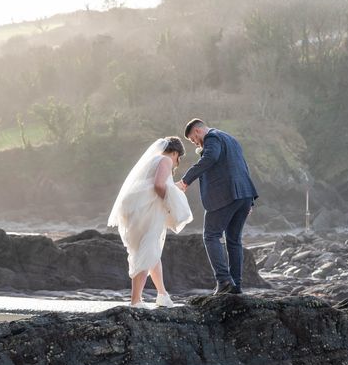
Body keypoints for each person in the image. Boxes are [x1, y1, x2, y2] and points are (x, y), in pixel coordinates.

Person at [108, 137, 193, 308]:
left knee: (151, 250)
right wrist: (170, 202)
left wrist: (173, 188)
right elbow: (158, 186)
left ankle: (162, 295)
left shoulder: (152, 161)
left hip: (137, 209)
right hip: (147, 212)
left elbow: (151, 185)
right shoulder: (165, 160)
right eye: (179, 157)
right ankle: (136, 301)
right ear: (175, 153)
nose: (177, 162)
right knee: (146, 251)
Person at [176, 119, 258, 295]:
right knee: (234, 241)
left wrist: (185, 180)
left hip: (225, 194)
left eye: (193, 140)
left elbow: (210, 158)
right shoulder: (230, 139)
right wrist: (249, 200)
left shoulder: (212, 138)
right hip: (244, 193)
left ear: (197, 131)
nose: (195, 143)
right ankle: (236, 286)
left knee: (211, 236)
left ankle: (223, 280)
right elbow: (243, 166)